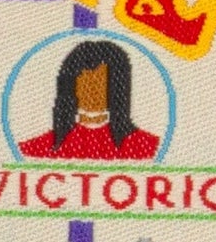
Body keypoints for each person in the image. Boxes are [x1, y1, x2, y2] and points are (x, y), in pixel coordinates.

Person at [16, 39, 159, 160]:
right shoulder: (37, 149)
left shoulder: (147, 148)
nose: (92, 91)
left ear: (117, 88)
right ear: (70, 86)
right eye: (85, 82)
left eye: (100, 83)